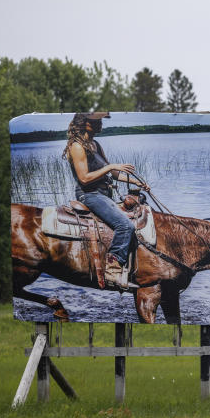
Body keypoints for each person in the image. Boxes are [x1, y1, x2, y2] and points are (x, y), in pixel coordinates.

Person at [64, 112, 150, 289]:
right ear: (86, 123)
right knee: (125, 225)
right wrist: (111, 166)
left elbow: (113, 174)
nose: (101, 124)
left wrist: (136, 181)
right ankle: (112, 269)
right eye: (97, 121)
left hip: (103, 194)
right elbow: (85, 178)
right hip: (89, 195)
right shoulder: (77, 146)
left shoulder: (95, 144)